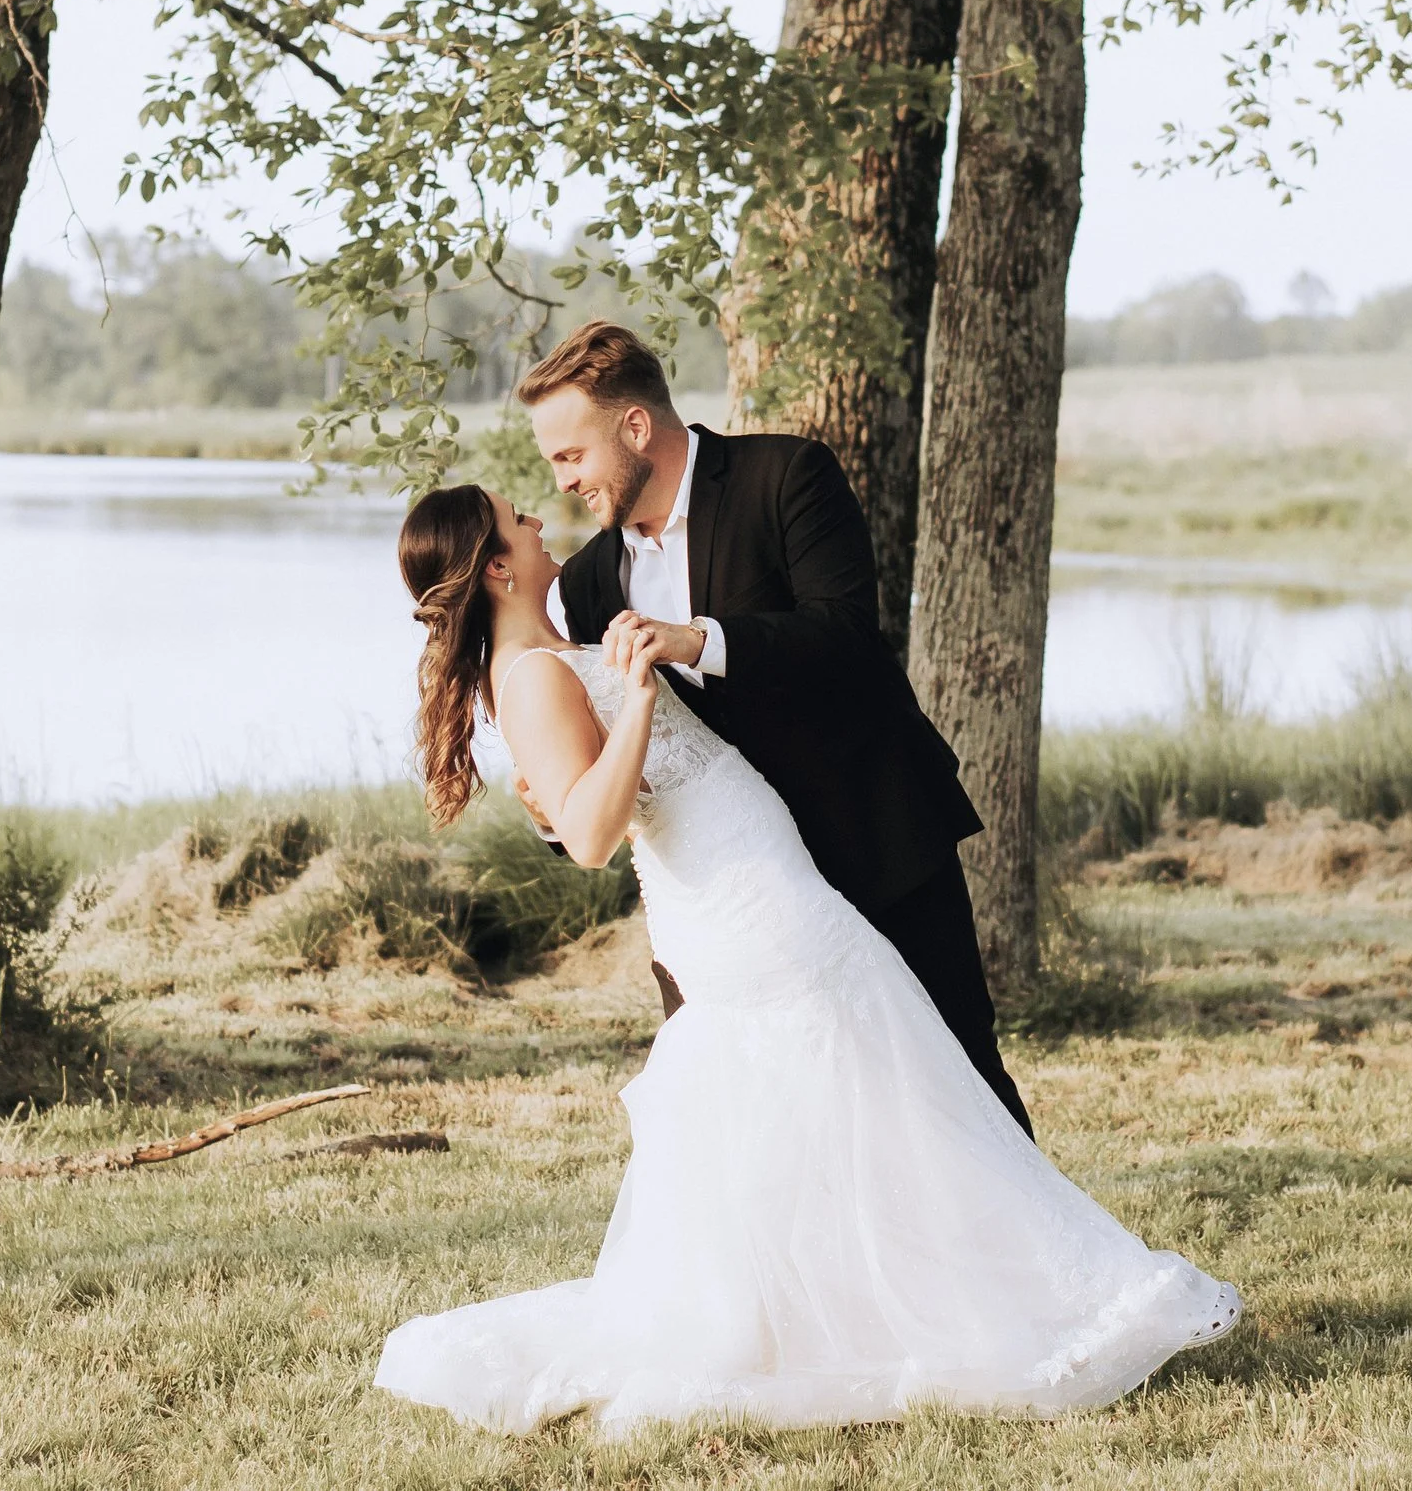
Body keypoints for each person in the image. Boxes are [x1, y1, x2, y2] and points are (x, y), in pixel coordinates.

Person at [372, 470, 1241, 1435]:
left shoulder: (549, 648)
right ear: (496, 566)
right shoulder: (532, 671)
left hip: (758, 885)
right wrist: (646, 698)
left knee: (851, 1083)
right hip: (742, 907)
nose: (538, 521)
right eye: (516, 521)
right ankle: (958, 1304)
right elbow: (584, 834)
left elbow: (580, 787)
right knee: (870, 1066)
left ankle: (844, 1303)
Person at [515, 319, 1032, 1132]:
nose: (564, 482)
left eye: (570, 456)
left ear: (635, 426)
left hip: (871, 837)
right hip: (725, 894)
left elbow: (847, 634)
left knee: (956, 1074)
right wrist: (556, 807)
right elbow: (610, 749)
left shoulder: (787, 475)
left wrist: (701, 639)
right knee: (759, 1117)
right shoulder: (586, 583)